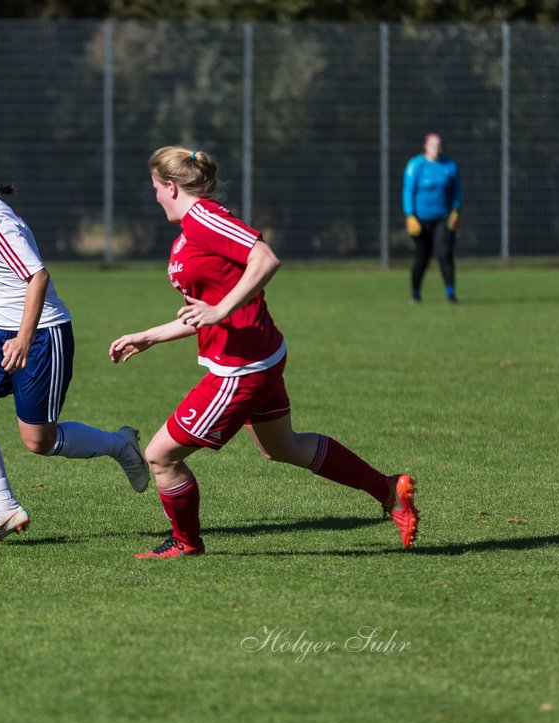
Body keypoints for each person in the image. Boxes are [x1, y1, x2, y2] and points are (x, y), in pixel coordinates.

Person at [108, 146, 419, 559]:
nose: (155, 197)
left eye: (155, 188)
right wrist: (150, 335)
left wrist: (221, 309)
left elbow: (265, 258)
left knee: (160, 456)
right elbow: (203, 312)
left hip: (241, 367)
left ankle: (185, 543)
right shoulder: (191, 231)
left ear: (170, 186)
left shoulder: (204, 218)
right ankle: (388, 489)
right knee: (282, 447)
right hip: (259, 355)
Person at [0, 142, 149, 544]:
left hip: (42, 334)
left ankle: (121, 446)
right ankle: (5, 508)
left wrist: (24, 339)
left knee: (39, 441)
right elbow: (7, 262)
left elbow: (37, 277)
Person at [402, 131, 461, 304]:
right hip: (420, 218)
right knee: (423, 256)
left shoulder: (449, 166)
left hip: (443, 217)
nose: (437, 149)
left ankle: (451, 293)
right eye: (434, 145)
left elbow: (456, 190)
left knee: (445, 254)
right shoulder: (416, 165)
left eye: (439, 145)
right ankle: (415, 292)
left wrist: (456, 210)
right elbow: (408, 190)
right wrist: (409, 215)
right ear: (425, 147)